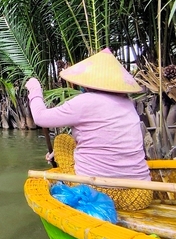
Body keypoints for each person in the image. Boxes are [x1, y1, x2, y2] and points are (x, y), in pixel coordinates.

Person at [25, 48, 152, 211]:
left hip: (97, 192)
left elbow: (40, 118)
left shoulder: (84, 101)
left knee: (62, 140)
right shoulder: (128, 104)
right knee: (71, 143)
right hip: (139, 196)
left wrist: (35, 91)